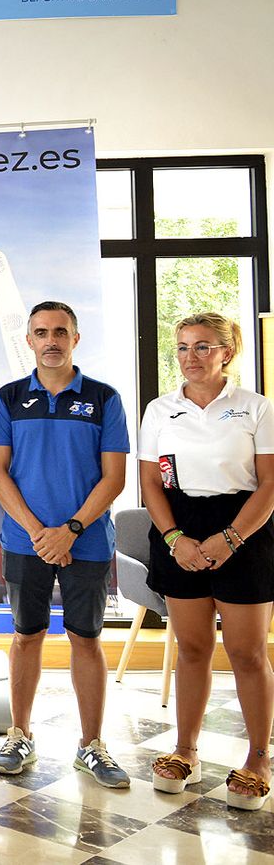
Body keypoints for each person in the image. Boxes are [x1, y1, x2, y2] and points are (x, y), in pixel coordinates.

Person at [0, 302, 130, 786]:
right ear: (28, 339)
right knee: (26, 636)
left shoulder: (104, 398)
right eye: (41, 332)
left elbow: (114, 479)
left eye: (60, 332)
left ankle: (91, 744)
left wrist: (68, 530)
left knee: (85, 640)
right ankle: (19, 735)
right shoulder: (7, 398)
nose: (51, 340)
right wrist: (36, 532)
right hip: (26, 542)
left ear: (75, 338)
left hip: (85, 542)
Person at [139, 312, 274, 810]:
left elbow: (270, 486)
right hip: (180, 525)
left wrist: (231, 537)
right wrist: (175, 537)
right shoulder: (159, 409)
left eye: (202, 346)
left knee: (247, 654)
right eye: (182, 347)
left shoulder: (256, 408)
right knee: (192, 648)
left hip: (245, 526)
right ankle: (185, 750)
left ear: (226, 352)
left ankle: (259, 757)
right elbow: (151, 482)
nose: (189, 356)